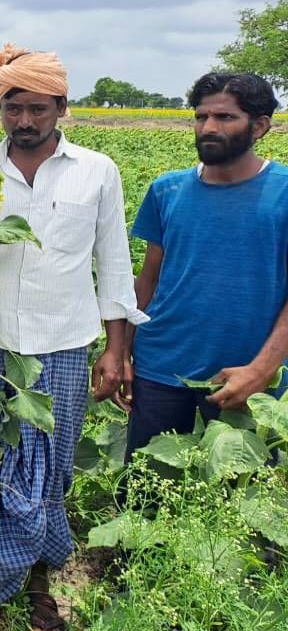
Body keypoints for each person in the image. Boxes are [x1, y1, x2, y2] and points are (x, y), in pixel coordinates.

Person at [0, 43, 145, 630]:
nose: (24, 121)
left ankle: (36, 581)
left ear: (61, 107)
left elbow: (113, 263)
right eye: (12, 108)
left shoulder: (96, 171)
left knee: (50, 465)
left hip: (62, 341)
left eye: (37, 109)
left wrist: (116, 348)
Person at [121, 72, 288, 457]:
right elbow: (149, 280)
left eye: (225, 118)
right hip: (161, 368)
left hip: (247, 376)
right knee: (147, 498)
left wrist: (261, 371)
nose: (208, 127)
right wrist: (122, 352)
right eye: (201, 117)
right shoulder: (167, 189)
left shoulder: (282, 191)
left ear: (260, 126)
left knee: (236, 504)